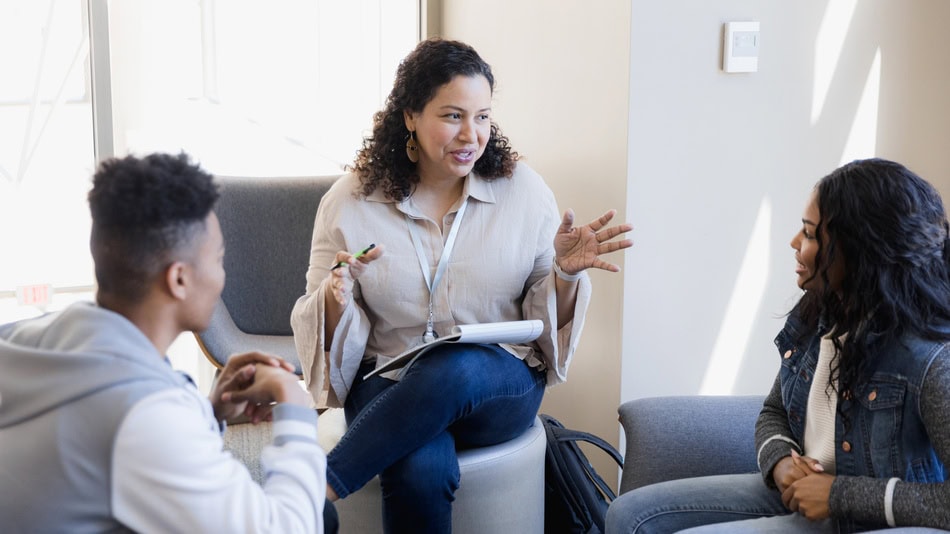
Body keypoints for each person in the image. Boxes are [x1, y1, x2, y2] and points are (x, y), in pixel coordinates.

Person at [291, 38, 632, 532]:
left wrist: (565, 272)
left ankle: (318, 489)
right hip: (388, 377)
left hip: (498, 384)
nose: (471, 135)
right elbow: (317, 311)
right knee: (417, 467)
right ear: (410, 115)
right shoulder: (350, 201)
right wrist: (335, 296)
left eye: (483, 117)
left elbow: (542, 317)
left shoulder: (524, 191)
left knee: (454, 366)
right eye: (452, 116)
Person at [605, 158, 950, 533]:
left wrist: (838, 495)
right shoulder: (816, 314)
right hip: (805, 497)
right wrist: (780, 461)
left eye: (811, 234)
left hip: (872, 521)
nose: (794, 242)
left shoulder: (930, 357)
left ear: (861, 251)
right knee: (627, 515)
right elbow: (774, 410)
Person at [0, 152, 334, 533]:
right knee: (321, 518)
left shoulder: (30, 337)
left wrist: (207, 413)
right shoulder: (145, 415)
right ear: (178, 279)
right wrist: (295, 409)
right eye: (219, 259)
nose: (222, 276)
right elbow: (290, 528)